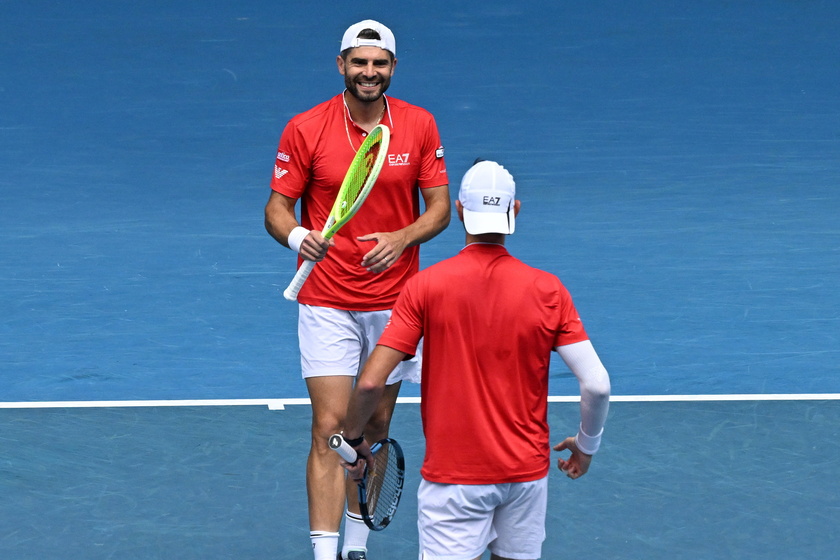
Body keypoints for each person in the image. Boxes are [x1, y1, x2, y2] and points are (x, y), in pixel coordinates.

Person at [340, 160, 611, 560]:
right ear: (514, 211)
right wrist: (586, 446)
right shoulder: (548, 290)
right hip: (525, 478)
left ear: (461, 211)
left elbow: (369, 382)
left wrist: (354, 439)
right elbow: (598, 384)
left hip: (454, 482)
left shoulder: (424, 288)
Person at [264, 19, 450, 560]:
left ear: (392, 68)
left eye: (380, 63)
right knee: (329, 427)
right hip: (325, 299)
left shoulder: (419, 125)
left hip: (397, 304)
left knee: (374, 425)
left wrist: (403, 235)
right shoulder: (306, 128)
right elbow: (277, 207)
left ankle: (356, 549)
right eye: (359, 62)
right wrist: (300, 234)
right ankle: (325, 555)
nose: (369, 72)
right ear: (341, 65)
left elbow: (438, 207)